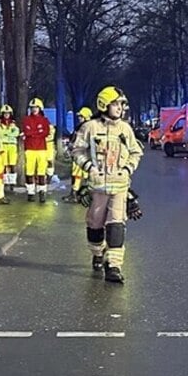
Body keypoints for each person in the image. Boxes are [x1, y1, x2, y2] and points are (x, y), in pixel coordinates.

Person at [72, 86, 144, 284]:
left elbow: (136, 152)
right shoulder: (90, 127)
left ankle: (113, 266)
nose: (120, 108)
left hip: (119, 186)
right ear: (104, 104)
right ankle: (98, 253)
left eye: (121, 104)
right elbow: (77, 150)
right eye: (116, 104)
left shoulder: (125, 129)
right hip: (97, 187)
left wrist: (128, 169)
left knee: (117, 225)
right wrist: (89, 167)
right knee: (95, 226)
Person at [22, 97, 50, 203]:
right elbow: (26, 131)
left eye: (36, 107)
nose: (34, 109)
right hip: (29, 148)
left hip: (41, 148)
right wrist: (37, 132)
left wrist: (32, 133)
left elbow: (46, 132)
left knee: (41, 172)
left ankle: (42, 192)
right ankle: (30, 192)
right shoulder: (26, 120)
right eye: (32, 107)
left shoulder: (44, 120)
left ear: (40, 108)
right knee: (29, 171)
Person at [63, 107, 93, 203]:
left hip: (82, 155)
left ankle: (77, 194)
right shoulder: (85, 127)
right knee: (80, 175)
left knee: (80, 175)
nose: (79, 118)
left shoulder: (85, 127)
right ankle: (79, 194)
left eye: (81, 116)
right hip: (82, 155)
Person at [0, 105, 21, 193]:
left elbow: (16, 133)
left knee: (12, 164)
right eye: (5, 113)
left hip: (12, 145)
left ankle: (12, 182)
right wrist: (8, 133)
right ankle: (5, 182)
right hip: (3, 145)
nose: (6, 115)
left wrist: (7, 133)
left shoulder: (13, 123)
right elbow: (0, 134)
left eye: (8, 113)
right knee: (4, 165)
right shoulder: (0, 124)